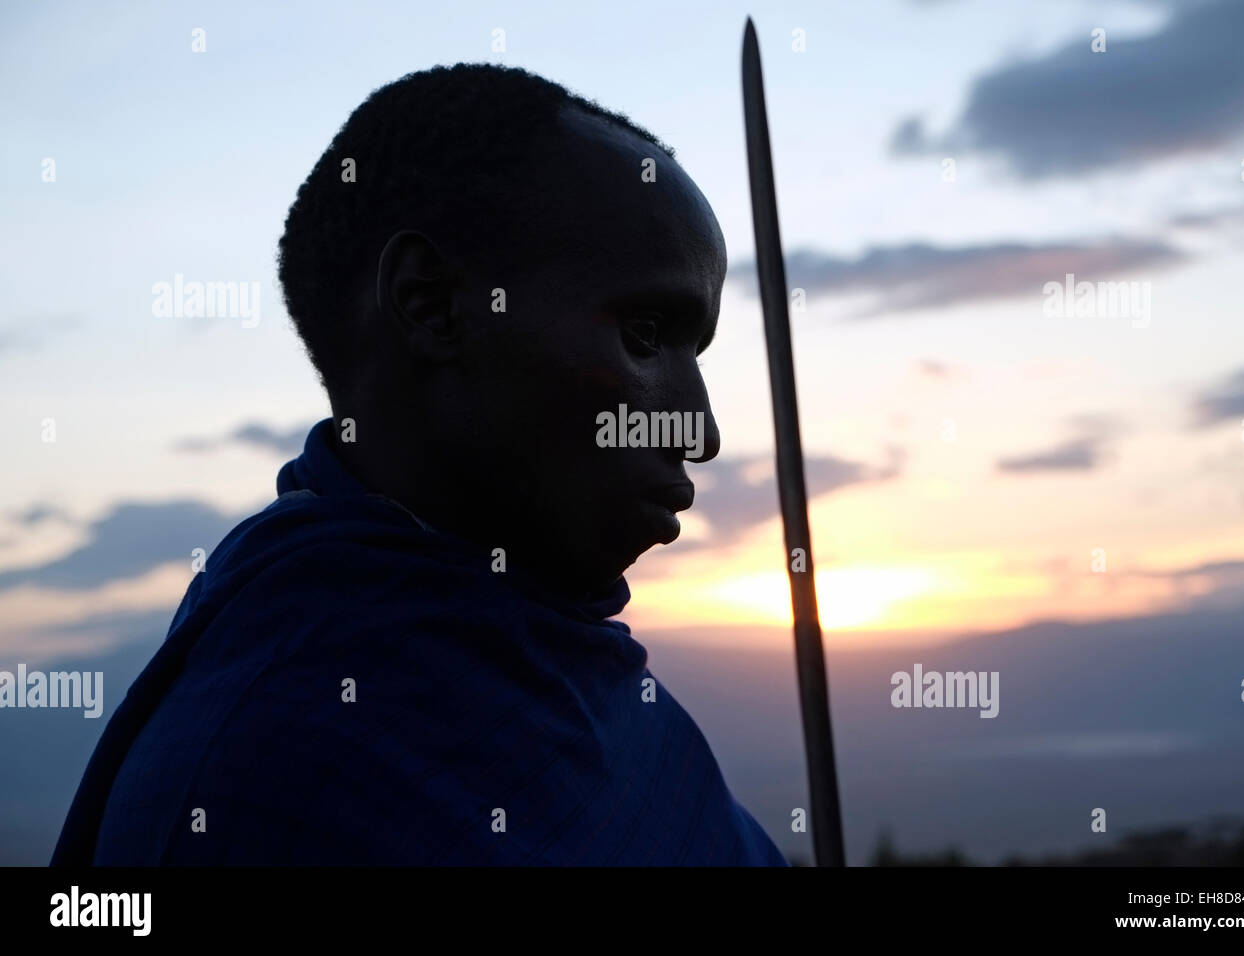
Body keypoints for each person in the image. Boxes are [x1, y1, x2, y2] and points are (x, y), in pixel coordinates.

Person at [52, 63, 789, 865]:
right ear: (431, 306)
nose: (703, 429)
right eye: (645, 334)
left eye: (697, 351)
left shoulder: (582, 680)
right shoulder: (266, 781)